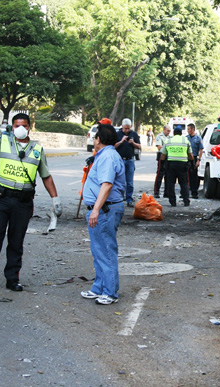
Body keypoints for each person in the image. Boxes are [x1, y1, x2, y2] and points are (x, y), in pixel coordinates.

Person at [0, 99, 62, 293]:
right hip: (1, 199)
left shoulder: (37, 150)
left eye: (24, 126)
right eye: (17, 126)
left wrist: (55, 199)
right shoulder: (2, 142)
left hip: (23, 202)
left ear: (29, 128)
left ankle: (12, 279)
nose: (20, 128)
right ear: (12, 127)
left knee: (16, 242)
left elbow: (45, 176)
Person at [81, 123, 125, 305]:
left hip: (105, 209)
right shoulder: (104, 155)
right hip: (102, 209)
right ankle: (99, 287)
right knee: (99, 250)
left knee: (106, 250)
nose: (93, 139)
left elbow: (106, 185)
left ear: (98, 139)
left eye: (95, 136)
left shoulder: (107, 156)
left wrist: (96, 210)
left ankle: (110, 292)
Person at [160, 126, 193, 207]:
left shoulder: (168, 141)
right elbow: (191, 155)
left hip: (171, 165)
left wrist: (162, 165)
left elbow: (163, 156)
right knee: (184, 183)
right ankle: (186, 201)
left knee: (171, 184)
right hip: (182, 165)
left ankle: (172, 201)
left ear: (173, 133)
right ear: (181, 133)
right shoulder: (185, 141)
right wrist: (192, 163)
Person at [115, 119, 141, 207]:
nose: (127, 130)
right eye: (125, 128)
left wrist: (133, 143)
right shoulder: (118, 134)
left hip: (130, 160)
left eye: (128, 128)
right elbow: (113, 146)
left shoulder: (133, 134)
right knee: (120, 181)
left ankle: (129, 199)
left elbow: (140, 146)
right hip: (120, 160)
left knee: (129, 182)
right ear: (122, 126)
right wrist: (121, 141)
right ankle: (119, 199)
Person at [186, 123, 204, 199]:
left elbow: (201, 150)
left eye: (189, 129)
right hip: (186, 159)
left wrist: (198, 160)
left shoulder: (198, 138)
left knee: (194, 176)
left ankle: (194, 192)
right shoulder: (186, 138)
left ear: (193, 129)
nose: (188, 131)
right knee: (185, 176)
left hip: (194, 158)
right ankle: (185, 192)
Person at [153, 125, 171, 198]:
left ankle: (166, 192)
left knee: (168, 175)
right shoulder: (159, 136)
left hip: (168, 157)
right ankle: (156, 192)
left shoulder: (170, 137)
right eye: (168, 131)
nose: (169, 132)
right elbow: (159, 147)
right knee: (160, 175)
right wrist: (168, 148)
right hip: (162, 156)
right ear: (164, 130)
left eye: (169, 131)